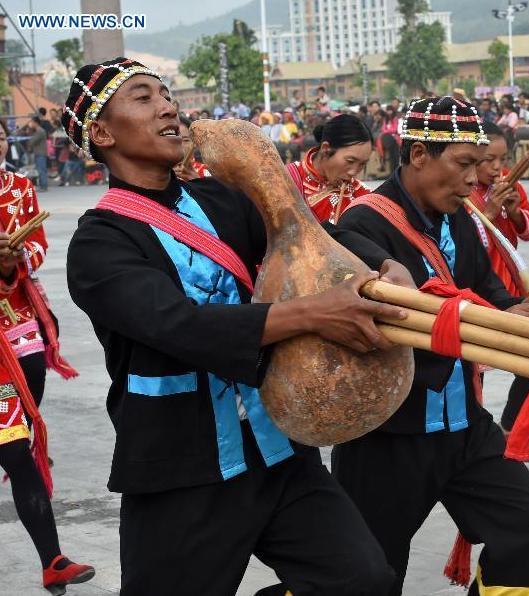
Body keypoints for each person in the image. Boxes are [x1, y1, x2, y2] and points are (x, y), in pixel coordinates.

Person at [63, 56, 412, 596]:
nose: (168, 107)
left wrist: (390, 265)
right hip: (182, 470)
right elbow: (179, 325)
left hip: (277, 450)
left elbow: (308, 228)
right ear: (102, 132)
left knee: (362, 580)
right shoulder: (98, 244)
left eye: (166, 94)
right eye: (143, 97)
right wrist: (316, 313)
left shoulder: (222, 201)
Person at [332, 96, 529, 596]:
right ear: (417, 156)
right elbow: (392, 324)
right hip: (389, 434)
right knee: (372, 575)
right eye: (462, 165)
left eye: (478, 166)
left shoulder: (460, 217)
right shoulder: (361, 225)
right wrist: (499, 321)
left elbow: (492, 295)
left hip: (462, 423)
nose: (472, 181)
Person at [0, 118, 95, 595]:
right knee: (16, 450)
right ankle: (52, 559)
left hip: (16, 317)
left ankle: (53, 562)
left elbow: (37, 246)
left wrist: (15, 258)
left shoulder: (18, 187)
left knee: (25, 410)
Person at [466, 121, 529, 437]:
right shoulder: (462, 190)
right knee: (472, 371)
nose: (497, 168)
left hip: (510, 291)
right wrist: (489, 211)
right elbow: (464, 240)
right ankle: (472, 432)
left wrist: (513, 211)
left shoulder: (513, 184)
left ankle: (510, 426)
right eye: (487, 161)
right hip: (476, 293)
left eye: (502, 159)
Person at [286, 113, 372, 224]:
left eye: (362, 164)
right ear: (326, 149)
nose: (354, 172)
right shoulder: (286, 180)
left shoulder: (363, 196)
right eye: (350, 161)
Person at [26, 117, 48, 192]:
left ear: (36, 122)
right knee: (40, 169)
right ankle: (43, 185)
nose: (31, 124)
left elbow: (32, 141)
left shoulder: (40, 131)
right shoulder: (38, 131)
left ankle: (44, 186)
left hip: (40, 153)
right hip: (39, 153)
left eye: (32, 122)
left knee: (41, 170)